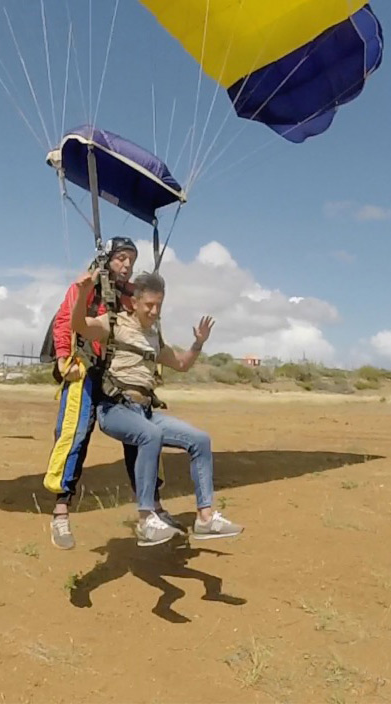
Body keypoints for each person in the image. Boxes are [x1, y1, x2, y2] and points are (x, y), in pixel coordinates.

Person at [70, 268, 244, 547]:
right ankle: (146, 519)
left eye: (158, 306)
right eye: (149, 305)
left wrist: (198, 343)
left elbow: (182, 364)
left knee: (200, 440)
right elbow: (79, 325)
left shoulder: (154, 337)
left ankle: (205, 517)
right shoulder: (113, 323)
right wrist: (82, 294)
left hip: (145, 411)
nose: (153, 311)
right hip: (115, 409)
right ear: (134, 302)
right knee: (150, 435)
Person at [42, 236, 184, 550]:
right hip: (84, 368)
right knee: (75, 433)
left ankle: (153, 509)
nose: (127, 265)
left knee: (143, 433)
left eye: (131, 259)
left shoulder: (132, 294)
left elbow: (146, 327)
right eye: (121, 258)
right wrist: (64, 358)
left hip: (117, 375)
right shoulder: (87, 285)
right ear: (108, 259)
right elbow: (66, 321)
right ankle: (61, 510)